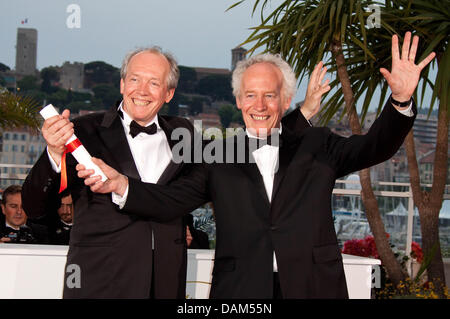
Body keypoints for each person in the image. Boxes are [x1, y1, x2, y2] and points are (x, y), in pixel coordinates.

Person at [79, 32, 434, 299]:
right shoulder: (218, 154)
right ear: (238, 99)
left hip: (314, 287)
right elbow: (171, 200)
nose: (259, 104)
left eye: (270, 95)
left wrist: (400, 100)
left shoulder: (318, 143)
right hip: (240, 292)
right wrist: (121, 185)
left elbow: (375, 147)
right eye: (250, 95)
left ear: (286, 100)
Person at [21, 46, 321, 298]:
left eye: (154, 82)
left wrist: (303, 114)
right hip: (100, 282)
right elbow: (34, 207)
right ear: (122, 84)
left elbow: (241, 150)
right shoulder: (85, 131)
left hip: (166, 284)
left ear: (169, 92)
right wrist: (55, 153)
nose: (142, 90)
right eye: (135, 79)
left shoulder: (184, 132)